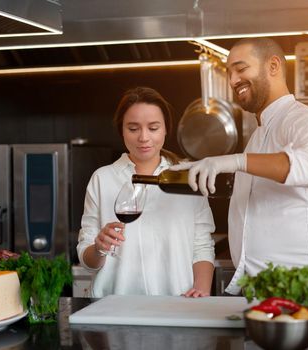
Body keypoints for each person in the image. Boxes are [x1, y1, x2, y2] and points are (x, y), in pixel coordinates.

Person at [170, 38, 308, 295]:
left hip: (304, 288)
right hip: (260, 289)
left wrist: (235, 161)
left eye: (241, 69)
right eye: (230, 73)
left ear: (273, 66)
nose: (232, 80)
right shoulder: (257, 136)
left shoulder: (303, 120)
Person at [77, 87, 215, 298]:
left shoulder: (188, 177)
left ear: (166, 129)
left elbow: (202, 245)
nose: (143, 137)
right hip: (113, 307)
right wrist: (98, 247)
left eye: (153, 127)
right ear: (121, 130)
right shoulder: (102, 179)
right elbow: (88, 262)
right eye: (133, 128)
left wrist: (202, 290)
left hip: (178, 304)